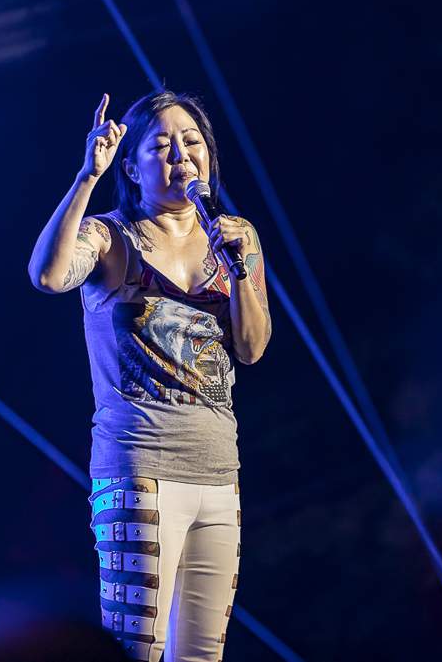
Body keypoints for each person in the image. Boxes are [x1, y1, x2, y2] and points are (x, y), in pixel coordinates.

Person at [27, 89, 271, 662]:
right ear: (133, 169)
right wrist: (88, 176)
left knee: (202, 654)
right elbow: (49, 275)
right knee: (136, 648)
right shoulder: (110, 237)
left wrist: (239, 270)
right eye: (161, 145)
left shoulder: (237, 236)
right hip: (139, 469)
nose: (181, 155)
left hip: (219, 473)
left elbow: (252, 347)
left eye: (192, 141)